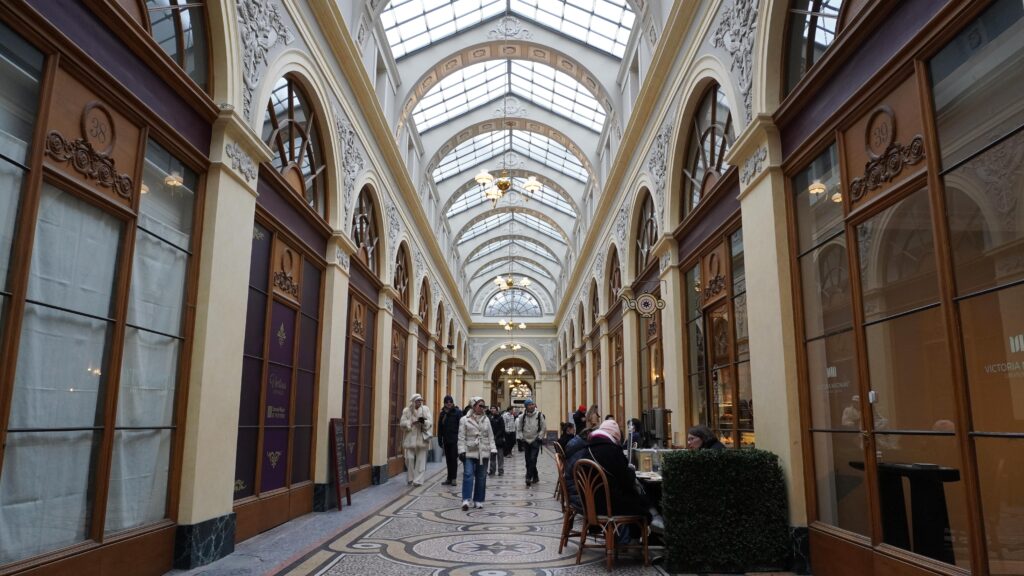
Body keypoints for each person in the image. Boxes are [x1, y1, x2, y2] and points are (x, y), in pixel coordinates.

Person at [579, 419, 664, 530]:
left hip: (591, 504)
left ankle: (629, 535)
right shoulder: (612, 450)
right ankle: (647, 529)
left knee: (636, 496)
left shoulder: (587, 448)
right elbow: (626, 481)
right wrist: (631, 470)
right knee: (640, 499)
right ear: (614, 437)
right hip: (609, 506)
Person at [458, 397, 495, 511]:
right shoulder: (464, 419)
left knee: (481, 476)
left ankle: (478, 500)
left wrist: (493, 449)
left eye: (484, 406)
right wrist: (461, 450)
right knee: (468, 474)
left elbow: (490, 436)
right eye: (480, 406)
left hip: (483, 450)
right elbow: (461, 436)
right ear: (473, 406)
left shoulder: (486, 419)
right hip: (469, 450)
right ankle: (466, 499)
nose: (482, 408)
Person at [399, 393, 433, 487]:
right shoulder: (406, 411)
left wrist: (424, 422)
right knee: (409, 458)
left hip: (422, 438)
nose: (419, 402)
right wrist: (410, 423)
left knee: (421, 461)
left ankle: (418, 480)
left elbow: (430, 422)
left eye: (420, 401)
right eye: (417, 401)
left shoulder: (425, 409)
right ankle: (411, 478)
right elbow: (402, 423)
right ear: (413, 401)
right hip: (410, 439)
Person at [516, 398, 547, 487]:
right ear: (526, 406)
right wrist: (521, 437)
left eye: (532, 404)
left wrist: (539, 437)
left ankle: (528, 477)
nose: (531, 406)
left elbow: (543, 427)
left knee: (533, 459)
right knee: (528, 460)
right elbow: (519, 428)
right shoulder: (522, 416)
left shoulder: (539, 415)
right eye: (529, 405)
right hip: (526, 441)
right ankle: (535, 476)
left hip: (535, 440)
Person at [437, 395, 463, 485]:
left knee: (453, 459)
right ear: (444, 403)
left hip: (455, 440)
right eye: (447, 402)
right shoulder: (442, 414)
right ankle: (449, 478)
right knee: (448, 460)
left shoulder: (458, 412)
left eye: (450, 402)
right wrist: (439, 440)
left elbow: (462, 427)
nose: (449, 404)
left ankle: (454, 478)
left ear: (452, 403)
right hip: (446, 440)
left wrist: (461, 440)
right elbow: (440, 428)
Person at [487, 405, 506, 476]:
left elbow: (502, 428)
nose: (492, 409)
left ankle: (500, 470)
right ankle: (492, 470)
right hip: (491, 439)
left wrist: (496, 436)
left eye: (494, 408)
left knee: (500, 456)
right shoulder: (489, 418)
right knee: (492, 456)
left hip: (499, 440)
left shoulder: (500, 418)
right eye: (491, 408)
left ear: (496, 410)